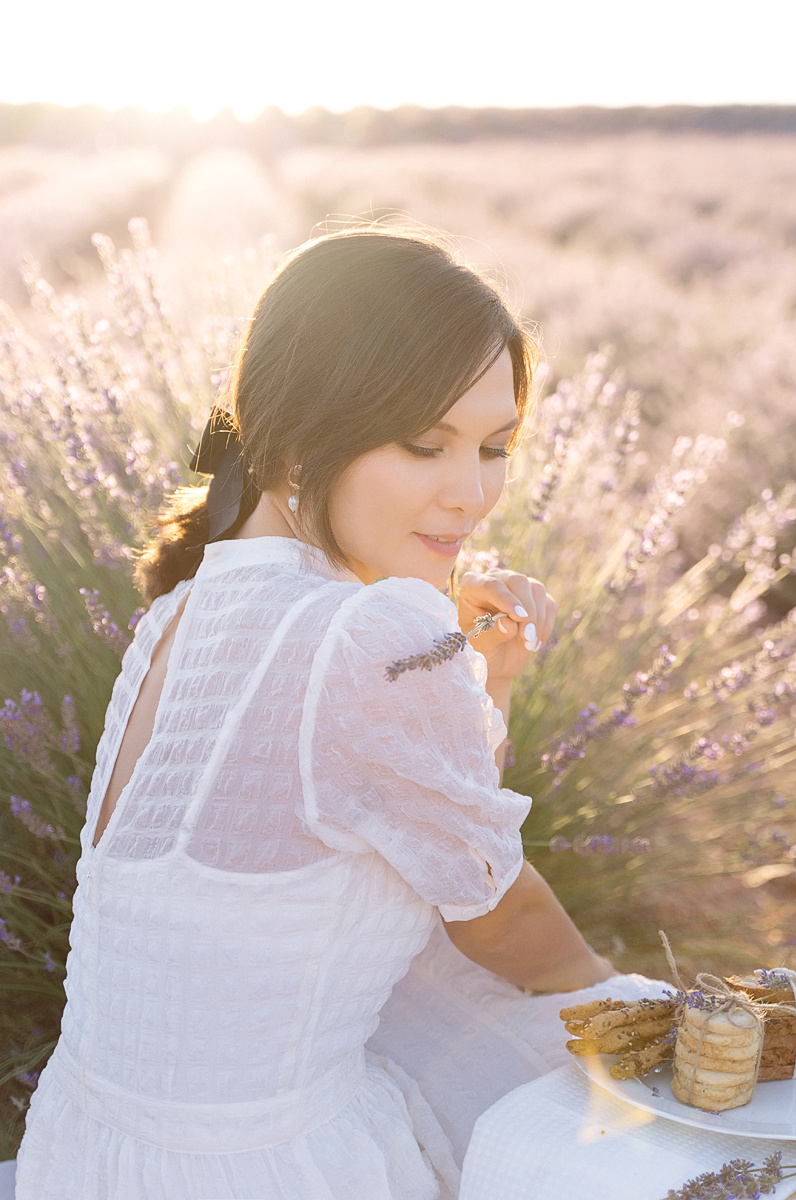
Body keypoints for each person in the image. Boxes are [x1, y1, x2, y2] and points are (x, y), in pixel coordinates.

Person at [13, 226, 658, 1200]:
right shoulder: (370, 634)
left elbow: (330, 833)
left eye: (493, 447)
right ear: (301, 427)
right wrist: (626, 1010)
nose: (471, 493)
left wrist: (479, 681)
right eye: (421, 444)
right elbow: (494, 912)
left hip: (94, 1152)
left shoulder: (182, 605)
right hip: (265, 1171)